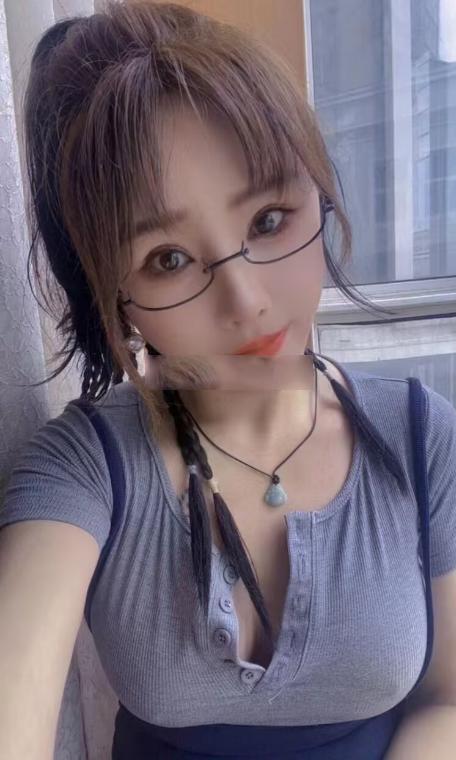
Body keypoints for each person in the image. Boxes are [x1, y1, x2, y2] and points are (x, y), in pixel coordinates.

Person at [1, 2, 456, 758]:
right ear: (118, 298)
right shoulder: (86, 467)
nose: (245, 301)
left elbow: (450, 696)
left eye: (269, 219)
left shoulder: (421, 437)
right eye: (169, 260)